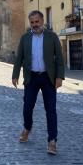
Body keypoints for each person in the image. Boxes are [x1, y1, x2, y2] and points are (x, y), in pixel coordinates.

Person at [12, 10, 65, 155]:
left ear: (42, 21)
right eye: (32, 22)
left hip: (48, 78)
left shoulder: (52, 37)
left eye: (37, 22)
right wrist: (15, 75)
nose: (35, 25)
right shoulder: (25, 38)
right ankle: (27, 128)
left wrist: (60, 77)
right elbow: (19, 58)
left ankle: (52, 141)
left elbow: (60, 59)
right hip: (31, 78)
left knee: (51, 110)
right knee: (27, 107)